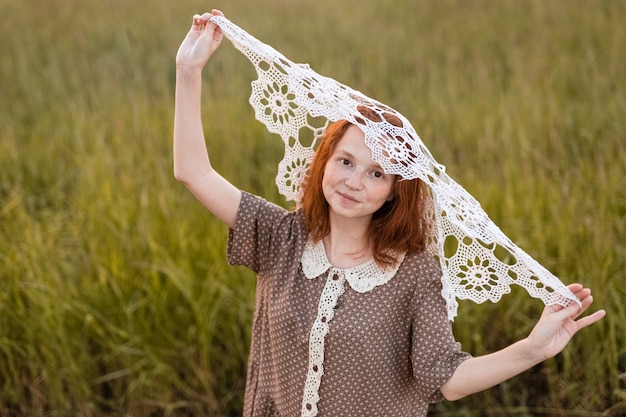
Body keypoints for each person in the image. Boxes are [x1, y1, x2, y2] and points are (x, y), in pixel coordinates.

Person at [173, 10, 606, 417]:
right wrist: (188, 72)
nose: (353, 181)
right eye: (345, 161)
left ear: (393, 193)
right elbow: (193, 171)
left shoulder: (414, 275)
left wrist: (531, 349)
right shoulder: (282, 237)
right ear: (324, 160)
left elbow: (448, 378)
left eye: (376, 173)